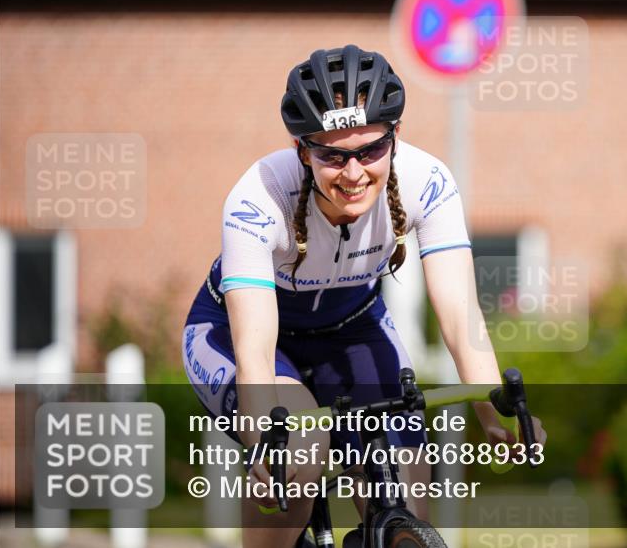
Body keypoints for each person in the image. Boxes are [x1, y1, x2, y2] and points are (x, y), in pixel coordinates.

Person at [181, 44, 545, 547]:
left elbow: (461, 318)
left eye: (370, 150)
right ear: (302, 151)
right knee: (298, 453)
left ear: (395, 138)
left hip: (353, 327)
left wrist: (493, 408)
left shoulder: (427, 181)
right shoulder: (259, 197)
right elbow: (255, 350)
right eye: (332, 155)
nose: (353, 173)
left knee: (407, 493)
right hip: (237, 333)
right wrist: (264, 440)